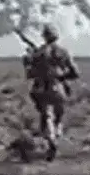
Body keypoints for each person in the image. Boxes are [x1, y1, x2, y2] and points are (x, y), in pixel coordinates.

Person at [26, 23, 80, 161]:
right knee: (59, 115)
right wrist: (62, 77)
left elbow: (30, 73)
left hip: (42, 88)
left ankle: (51, 139)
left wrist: (29, 60)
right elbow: (75, 73)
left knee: (47, 115)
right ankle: (56, 134)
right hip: (59, 88)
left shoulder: (38, 53)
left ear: (44, 36)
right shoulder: (63, 52)